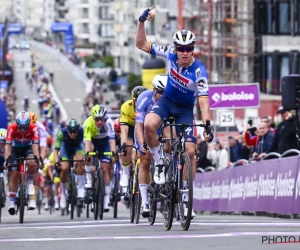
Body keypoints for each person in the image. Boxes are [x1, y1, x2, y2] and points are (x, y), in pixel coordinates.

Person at [136, 6, 213, 217]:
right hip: (167, 102)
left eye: (189, 49)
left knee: (190, 151)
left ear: (193, 49)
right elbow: (141, 44)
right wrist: (141, 22)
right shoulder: (168, 53)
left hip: (185, 111)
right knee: (149, 124)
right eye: (181, 48)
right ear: (175, 48)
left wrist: (207, 126)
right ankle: (159, 162)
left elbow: (204, 102)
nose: (185, 53)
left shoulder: (199, 71)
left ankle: (187, 197)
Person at [135, 74, 169, 217]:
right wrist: (143, 143)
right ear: (154, 90)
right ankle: (144, 202)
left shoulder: (169, 100)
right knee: (145, 160)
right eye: (161, 92)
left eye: (166, 92)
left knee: (169, 146)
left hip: (161, 129)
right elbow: (139, 125)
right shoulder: (144, 98)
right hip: (146, 130)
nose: (163, 95)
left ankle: (169, 180)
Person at [4, 111, 40, 214]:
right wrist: (7, 159)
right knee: (14, 174)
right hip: (15, 149)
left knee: (31, 162)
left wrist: (36, 158)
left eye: (25, 127)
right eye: (20, 127)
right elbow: (7, 147)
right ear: (17, 124)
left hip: (28, 148)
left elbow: (35, 146)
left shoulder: (34, 128)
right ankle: (11, 204)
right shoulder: (11, 128)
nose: (23, 130)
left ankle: (29, 184)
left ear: (29, 124)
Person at [83, 104, 116, 212]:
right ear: (93, 118)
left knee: (105, 168)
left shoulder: (109, 122)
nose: (100, 122)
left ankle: (106, 199)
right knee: (89, 154)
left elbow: (112, 141)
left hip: (104, 142)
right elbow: (87, 142)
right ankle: (88, 177)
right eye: (97, 120)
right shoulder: (87, 123)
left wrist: (113, 154)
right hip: (93, 141)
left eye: (101, 119)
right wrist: (88, 154)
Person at [119, 86, 147, 188]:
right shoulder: (126, 106)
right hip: (131, 127)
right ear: (133, 100)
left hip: (144, 127)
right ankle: (125, 173)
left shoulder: (150, 105)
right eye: (137, 101)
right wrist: (123, 144)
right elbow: (124, 129)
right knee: (126, 147)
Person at [54, 119, 85, 209]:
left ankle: (80, 189)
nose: (72, 134)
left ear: (78, 129)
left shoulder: (82, 131)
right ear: (67, 130)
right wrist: (56, 162)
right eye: (70, 132)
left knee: (80, 160)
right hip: (65, 148)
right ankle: (63, 194)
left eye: (75, 131)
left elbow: (87, 144)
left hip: (77, 147)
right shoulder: (61, 133)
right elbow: (56, 151)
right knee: (64, 168)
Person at [0, 129, 6, 208]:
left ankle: (3, 192)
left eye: (3, 143)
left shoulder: (8, 148)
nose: (1, 144)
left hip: (4, 165)